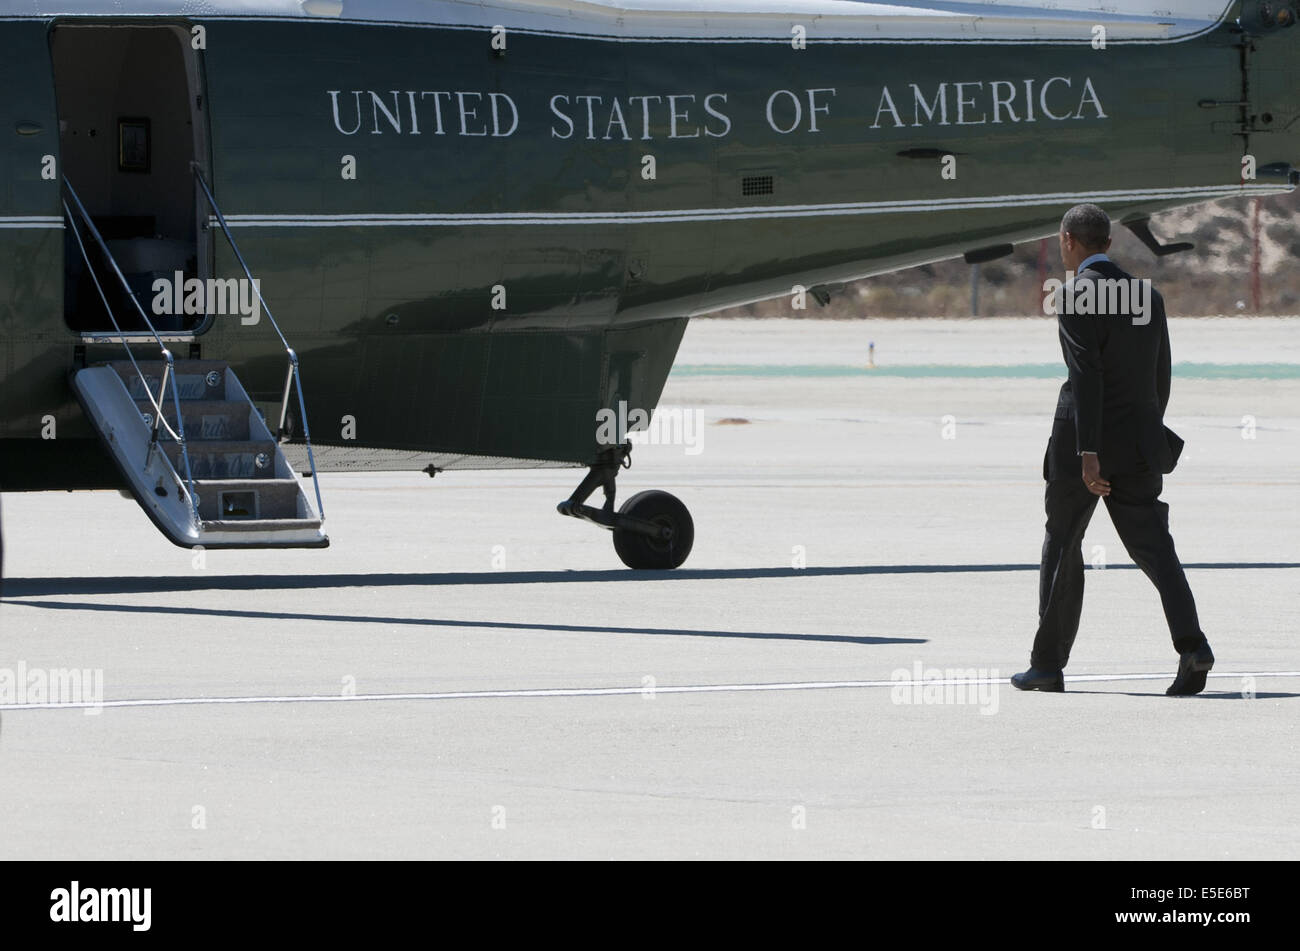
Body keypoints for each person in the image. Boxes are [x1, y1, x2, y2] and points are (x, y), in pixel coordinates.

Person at [1011, 203, 1214, 696]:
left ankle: (1047, 665)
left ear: (1068, 241)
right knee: (1156, 550)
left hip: (1083, 447)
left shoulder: (1073, 294)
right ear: (1106, 243)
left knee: (1063, 544)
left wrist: (1089, 452)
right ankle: (1192, 646)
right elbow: (1159, 378)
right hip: (1139, 443)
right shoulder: (1147, 296)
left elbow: (1086, 376)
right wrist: (1146, 434)